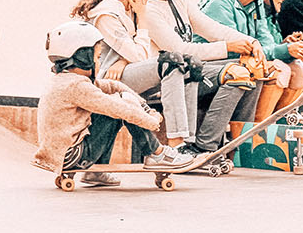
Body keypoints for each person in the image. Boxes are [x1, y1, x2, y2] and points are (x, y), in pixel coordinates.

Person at [33, 20, 195, 186]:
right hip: (72, 155)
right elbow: (118, 108)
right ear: (83, 58)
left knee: (117, 101)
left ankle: (97, 172)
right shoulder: (77, 86)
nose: (99, 62)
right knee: (119, 108)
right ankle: (156, 153)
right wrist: (151, 122)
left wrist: (145, 107)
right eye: (98, 57)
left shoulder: (66, 81)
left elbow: (112, 86)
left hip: (63, 153)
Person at [71, 0, 204, 154]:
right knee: (172, 64)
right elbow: (142, 57)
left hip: (126, 73)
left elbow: (145, 54)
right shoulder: (107, 15)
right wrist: (142, 20)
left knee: (191, 66)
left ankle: (189, 141)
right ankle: (177, 145)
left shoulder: (130, 7)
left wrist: (123, 60)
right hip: (107, 80)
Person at [139, 0, 260, 158]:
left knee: (253, 72)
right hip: (167, 80)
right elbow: (179, 49)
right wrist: (227, 47)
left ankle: (238, 145)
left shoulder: (180, 2)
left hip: (193, 70)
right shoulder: (148, 10)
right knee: (236, 75)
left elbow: (213, 29)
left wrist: (249, 42)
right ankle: (203, 146)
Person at [198, 0, 303, 121]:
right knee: (277, 70)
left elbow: (265, 45)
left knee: (297, 69)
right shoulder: (219, 4)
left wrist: (289, 49)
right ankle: (252, 131)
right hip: (213, 70)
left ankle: (276, 126)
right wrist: (285, 51)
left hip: (243, 64)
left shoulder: (256, 3)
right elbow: (236, 51)